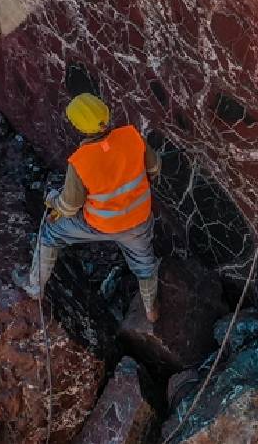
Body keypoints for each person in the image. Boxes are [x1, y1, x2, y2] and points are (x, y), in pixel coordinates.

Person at [18, 93, 163, 322]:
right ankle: (151, 310)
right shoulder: (132, 136)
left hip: (99, 224)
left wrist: (52, 200)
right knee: (145, 266)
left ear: (78, 127)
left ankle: (35, 288)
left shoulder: (80, 161)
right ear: (106, 113)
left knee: (49, 234)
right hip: (138, 219)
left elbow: (69, 205)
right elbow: (154, 168)